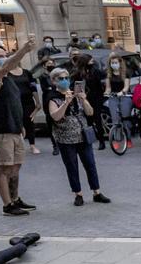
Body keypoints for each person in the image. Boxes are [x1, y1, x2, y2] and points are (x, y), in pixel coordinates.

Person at [0, 36, 37, 216]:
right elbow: (6, 66)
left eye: (5, 54)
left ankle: (15, 198)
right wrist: (23, 50)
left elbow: (14, 102)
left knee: (15, 166)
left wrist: (20, 124)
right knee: (4, 167)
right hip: (0, 129)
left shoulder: (8, 79)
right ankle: (7, 205)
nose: (4, 58)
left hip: (14, 128)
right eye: (0, 55)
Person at [47, 66, 110, 206]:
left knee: (90, 164)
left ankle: (97, 192)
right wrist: (66, 102)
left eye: (66, 78)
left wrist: (84, 100)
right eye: (61, 79)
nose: (64, 81)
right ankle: (78, 194)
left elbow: (90, 112)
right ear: (54, 81)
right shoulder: (52, 98)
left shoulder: (76, 94)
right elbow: (55, 116)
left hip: (83, 136)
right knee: (72, 167)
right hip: (65, 138)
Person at [70, 53, 106, 150]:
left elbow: (103, 76)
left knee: (97, 118)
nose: (92, 61)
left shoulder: (95, 70)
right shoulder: (78, 72)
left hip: (96, 97)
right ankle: (90, 139)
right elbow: (74, 85)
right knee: (88, 121)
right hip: (84, 98)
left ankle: (101, 141)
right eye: (90, 60)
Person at [6, 58, 39, 155]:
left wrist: (37, 101)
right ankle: (17, 146)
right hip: (14, 103)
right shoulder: (7, 74)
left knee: (29, 123)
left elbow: (33, 87)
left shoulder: (26, 72)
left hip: (28, 102)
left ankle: (32, 145)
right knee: (16, 123)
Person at [104, 52, 135, 150]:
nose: (114, 65)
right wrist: (106, 93)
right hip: (113, 97)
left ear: (120, 63)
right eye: (112, 63)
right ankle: (117, 140)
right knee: (115, 120)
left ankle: (128, 139)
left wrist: (122, 92)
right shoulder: (109, 74)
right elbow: (108, 88)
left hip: (125, 97)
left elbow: (126, 87)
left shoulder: (126, 73)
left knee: (125, 119)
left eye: (115, 62)